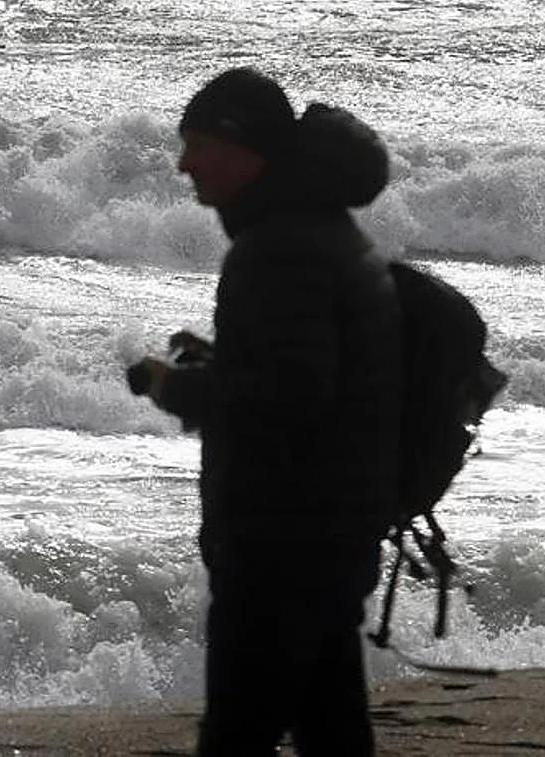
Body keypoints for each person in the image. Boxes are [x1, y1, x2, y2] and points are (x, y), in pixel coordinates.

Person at [134, 68, 402, 755]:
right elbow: (306, 376)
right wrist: (224, 362)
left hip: (284, 545)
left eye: (197, 143)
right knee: (331, 729)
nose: (184, 163)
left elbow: (286, 401)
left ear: (242, 146)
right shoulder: (317, 231)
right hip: (330, 530)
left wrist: (175, 386)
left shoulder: (278, 248)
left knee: (239, 733)